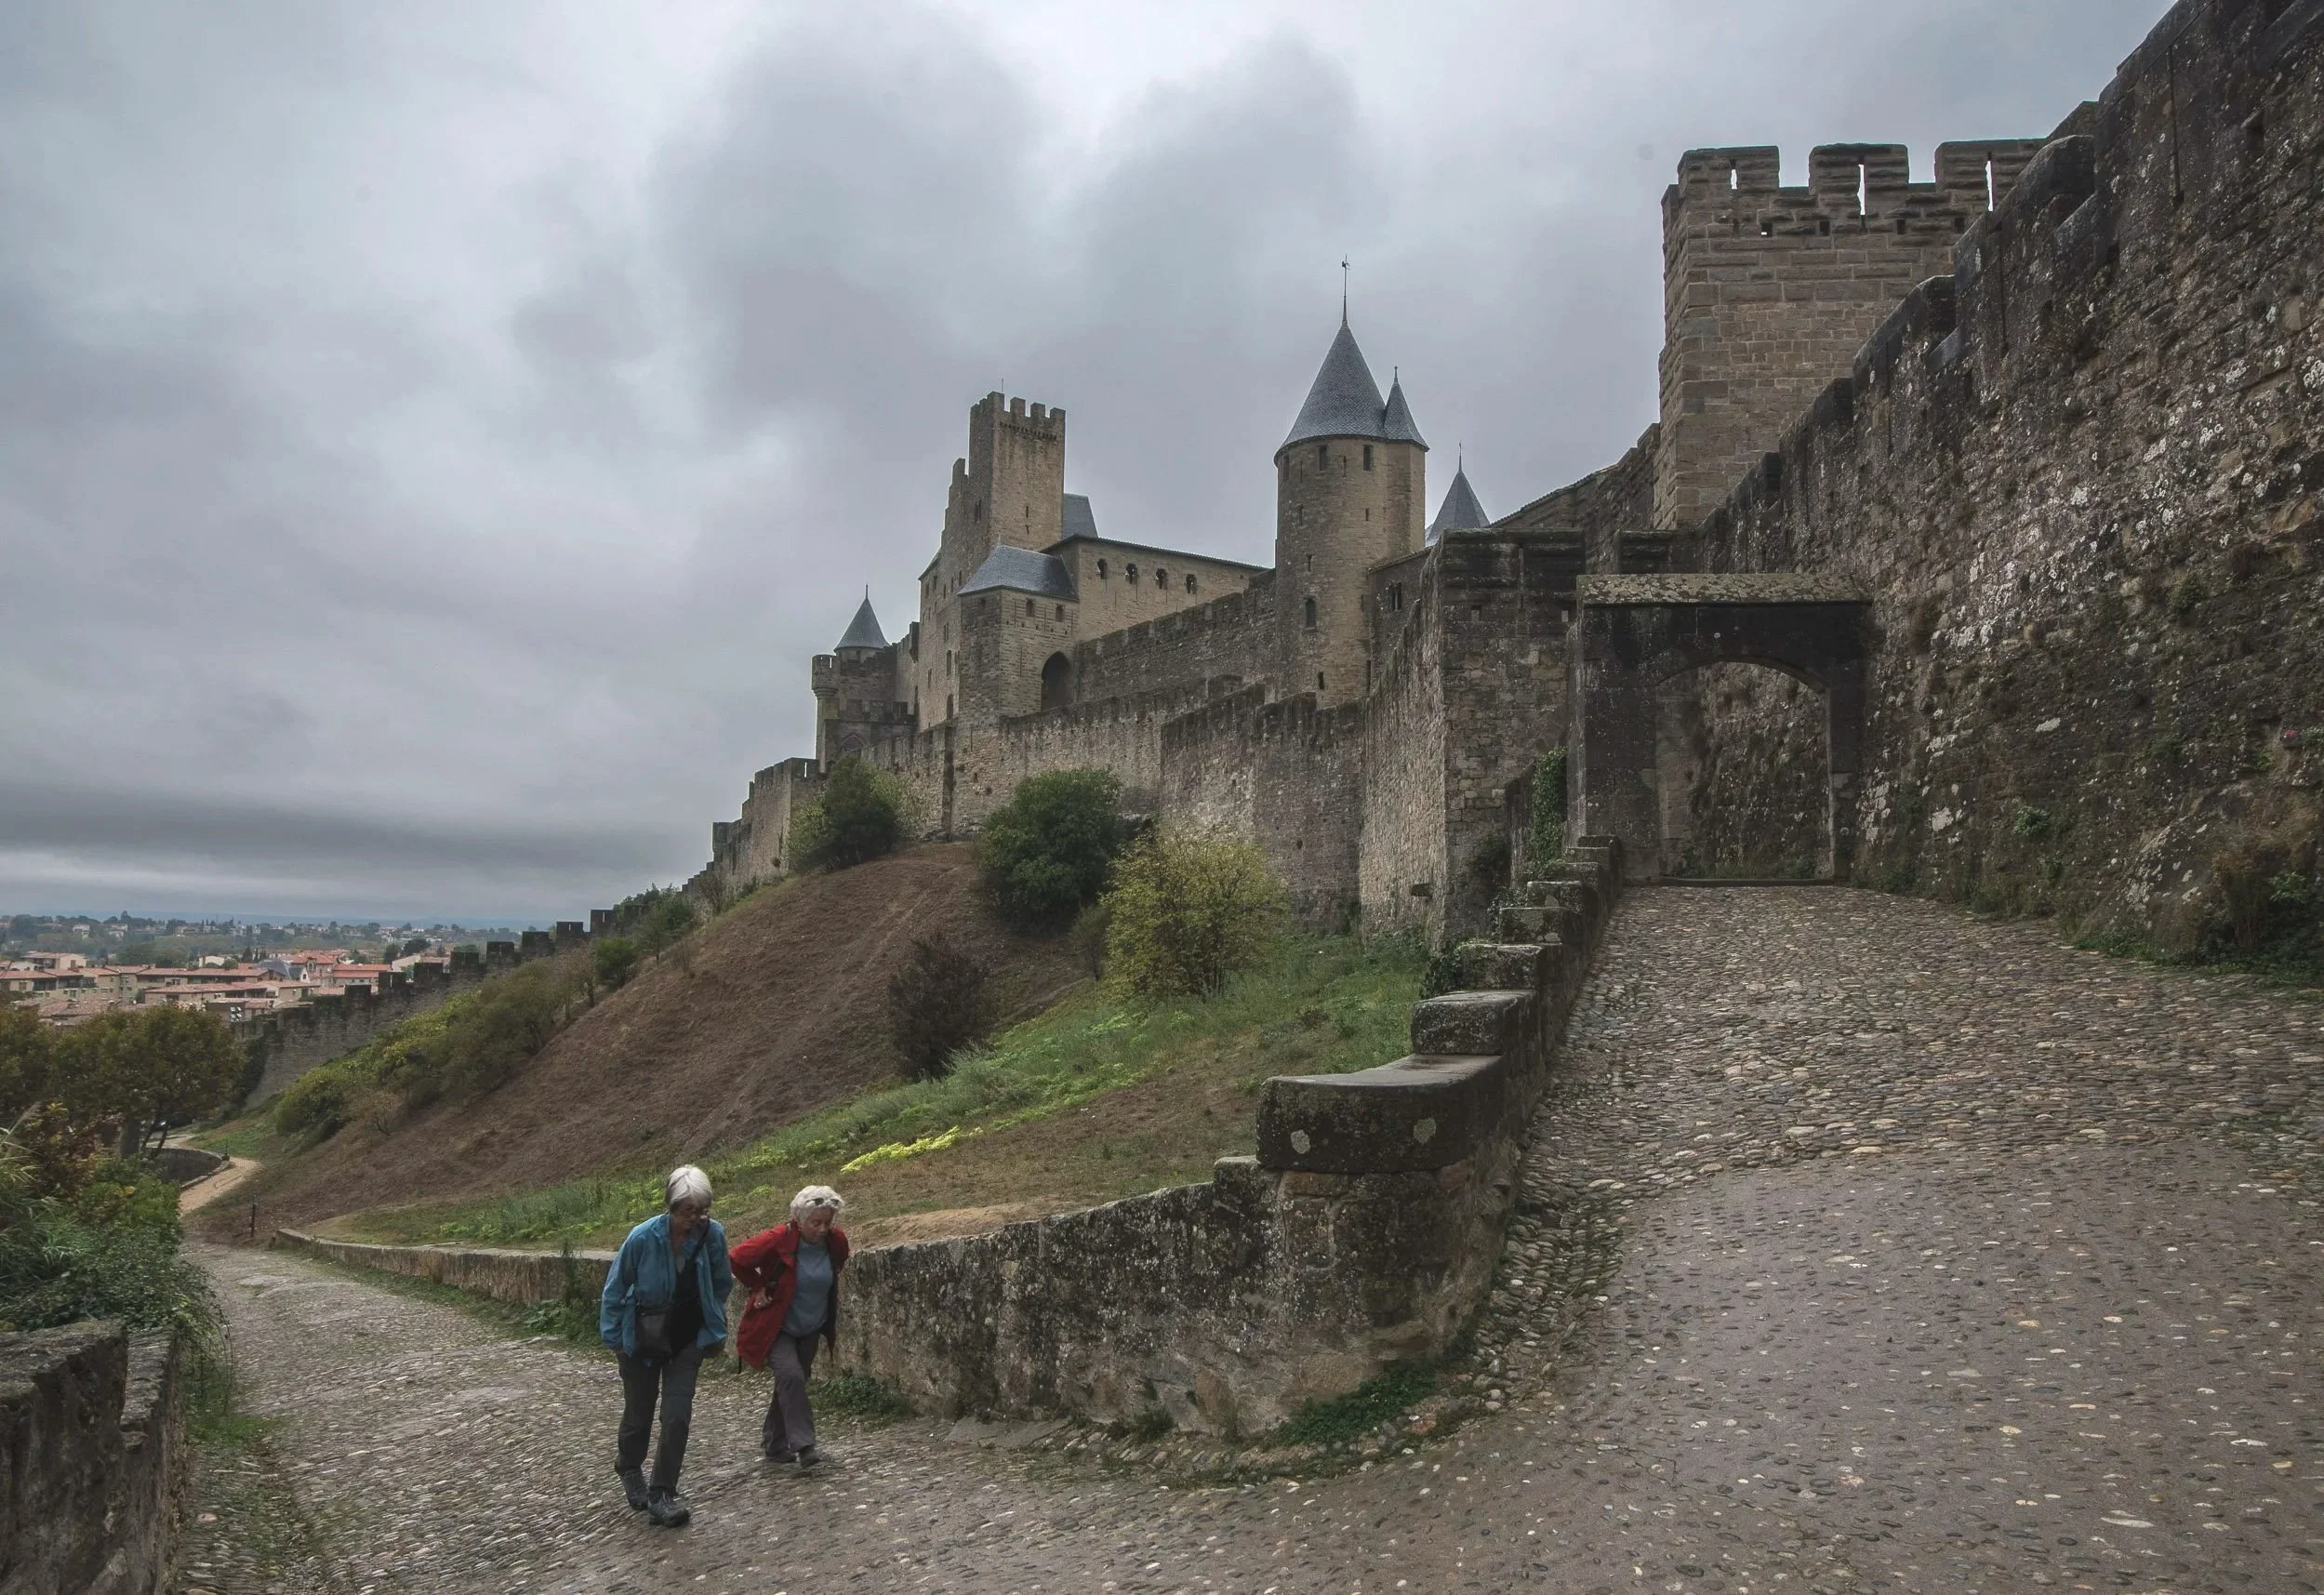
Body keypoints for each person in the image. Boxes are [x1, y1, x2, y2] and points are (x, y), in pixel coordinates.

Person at [600, 1164, 734, 1526]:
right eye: (687, 1211)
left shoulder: (712, 1236)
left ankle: (663, 1493)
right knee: (638, 1415)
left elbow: (722, 1282)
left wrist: (709, 1320)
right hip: (641, 1339)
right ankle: (629, 1466)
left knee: (677, 1415)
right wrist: (614, 1339)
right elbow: (615, 1288)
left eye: (701, 1210)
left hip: (687, 1339)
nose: (694, 1218)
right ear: (671, 1206)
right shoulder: (643, 1237)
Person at [731, 1185, 851, 1468]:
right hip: (777, 1327)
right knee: (792, 1377)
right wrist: (758, 1286)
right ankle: (805, 1445)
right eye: (816, 1222)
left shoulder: (836, 1242)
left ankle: (774, 1442)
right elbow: (736, 1258)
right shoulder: (779, 1239)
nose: (822, 1229)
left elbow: (839, 1263)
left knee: (791, 1382)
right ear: (799, 1219)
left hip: (811, 1325)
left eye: (827, 1222)